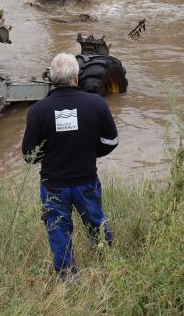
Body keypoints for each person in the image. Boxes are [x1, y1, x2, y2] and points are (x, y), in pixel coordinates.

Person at [22, 53, 119, 278]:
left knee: (59, 232)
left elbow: (29, 155)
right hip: (86, 181)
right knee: (96, 223)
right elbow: (111, 141)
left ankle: (67, 279)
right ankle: (110, 265)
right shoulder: (96, 103)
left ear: (51, 78)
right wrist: (90, 151)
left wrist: (51, 153)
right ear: (77, 76)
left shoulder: (39, 109)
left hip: (54, 186)